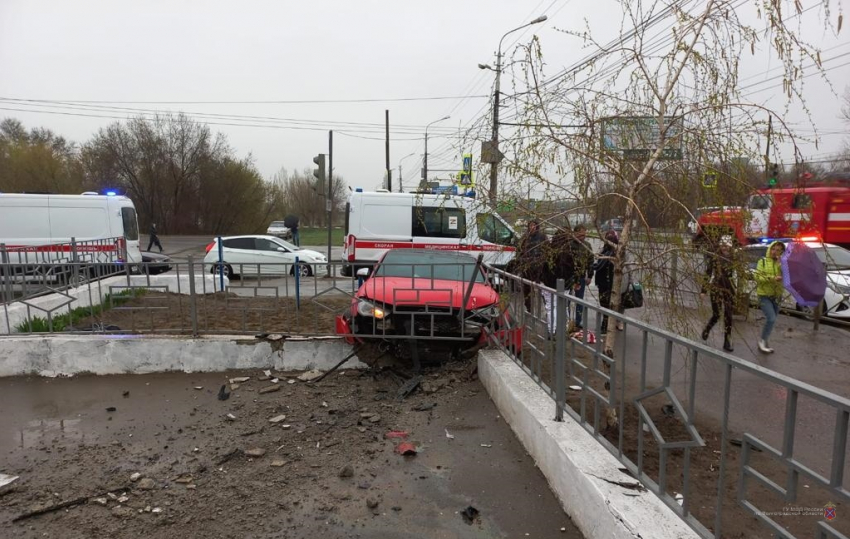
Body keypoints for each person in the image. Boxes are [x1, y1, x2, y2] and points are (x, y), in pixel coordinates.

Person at [700, 236, 736, 352]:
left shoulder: (734, 258)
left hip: (729, 289)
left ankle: (727, 340)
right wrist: (703, 290)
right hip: (716, 288)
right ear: (720, 246)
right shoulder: (715, 258)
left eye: (727, 246)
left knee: (728, 315)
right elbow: (708, 273)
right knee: (717, 314)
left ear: (730, 247)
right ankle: (707, 329)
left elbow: (739, 274)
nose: (725, 248)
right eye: (723, 245)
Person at [754, 240, 785, 353]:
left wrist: (781, 266)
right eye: (773, 249)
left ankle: (765, 340)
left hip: (776, 295)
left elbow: (786, 277)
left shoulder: (781, 262)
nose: (775, 252)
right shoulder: (762, 261)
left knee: (772, 320)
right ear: (770, 249)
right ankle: (762, 341)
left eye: (778, 250)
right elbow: (758, 277)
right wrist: (772, 278)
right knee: (771, 318)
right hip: (764, 295)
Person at [593, 230, 621, 335]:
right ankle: (606, 326)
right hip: (604, 282)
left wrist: (590, 266)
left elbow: (599, 265)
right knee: (605, 304)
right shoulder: (606, 251)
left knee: (605, 304)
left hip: (607, 283)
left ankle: (605, 327)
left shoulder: (611, 253)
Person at [566, 224, 594, 328]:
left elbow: (590, 262)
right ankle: (567, 319)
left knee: (579, 300)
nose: (583, 236)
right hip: (569, 277)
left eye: (584, 234)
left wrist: (590, 275)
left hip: (581, 277)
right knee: (567, 299)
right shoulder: (569, 245)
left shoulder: (587, 245)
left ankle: (578, 321)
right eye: (581, 234)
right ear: (575, 233)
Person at [517, 219, 548, 313]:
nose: (532, 227)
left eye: (534, 225)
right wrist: (522, 261)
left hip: (540, 268)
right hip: (527, 268)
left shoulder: (542, 237)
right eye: (530, 225)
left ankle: (547, 308)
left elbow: (548, 251)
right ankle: (529, 308)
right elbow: (519, 251)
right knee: (527, 288)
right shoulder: (524, 238)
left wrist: (542, 261)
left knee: (543, 290)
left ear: (537, 226)